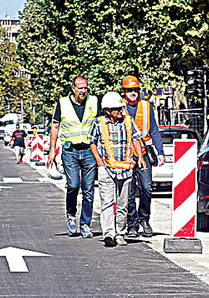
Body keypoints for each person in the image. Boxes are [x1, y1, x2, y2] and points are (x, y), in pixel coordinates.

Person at [90, 92, 146, 248]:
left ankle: (120, 233)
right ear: (108, 110)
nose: (121, 111)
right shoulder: (98, 123)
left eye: (122, 108)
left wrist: (140, 157)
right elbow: (92, 142)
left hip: (126, 170)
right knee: (107, 202)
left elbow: (136, 139)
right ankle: (109, 233)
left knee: (123, 205)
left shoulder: (128, 121)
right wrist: (99, 162)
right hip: (106, 169)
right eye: (117, 109)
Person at [49, 75, 99, 238]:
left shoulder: (93, 102)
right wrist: (52, 151)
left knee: (89, 190)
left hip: (89, 151)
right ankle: (71, 215)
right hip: (70, 151)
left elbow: (100, 125)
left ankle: (85, 224)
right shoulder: (63, 103)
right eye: (80, 88)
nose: (83, 91)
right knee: (73, 185)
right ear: (73, 88)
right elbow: (55, 126)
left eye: (85, 87)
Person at [120, 75, 164, 238]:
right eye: (129, 90)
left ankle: (144, 219)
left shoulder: (146, 106)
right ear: (124, 91)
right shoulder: (120, 106)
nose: (133, 93)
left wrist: (160, 151)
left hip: (144, 152)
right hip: (125, 154)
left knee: (146, 187)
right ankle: (132, 224)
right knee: (129, 191)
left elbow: (154, 129)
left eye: (135, 90)